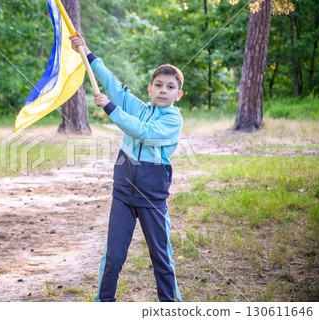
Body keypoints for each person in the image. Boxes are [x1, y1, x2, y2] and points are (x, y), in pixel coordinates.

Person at [70, 32, 184, 302]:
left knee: (162, 259)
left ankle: (171, 306)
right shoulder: (139, 107)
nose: (162, 91)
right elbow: (112, 84)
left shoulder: (172, 122)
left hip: (151, 198)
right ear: (150, 89)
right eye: (158, 85)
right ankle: (104, 303)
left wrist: (111, 109)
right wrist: (85, 51)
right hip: (123, 193)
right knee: (113, 256)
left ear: (178, 95)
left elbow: (144, 132)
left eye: (169, 88)